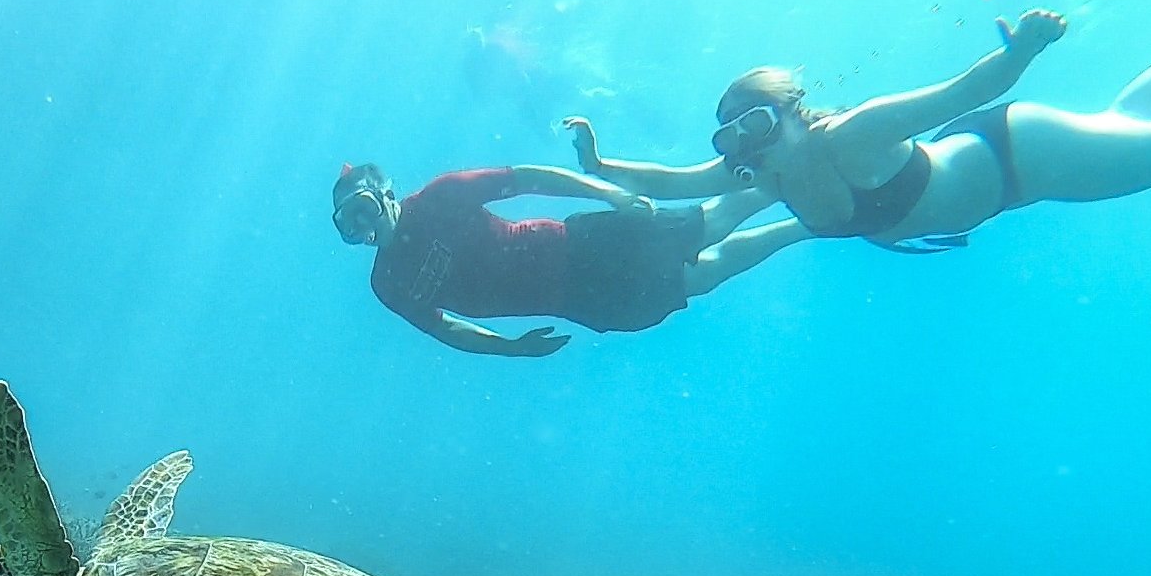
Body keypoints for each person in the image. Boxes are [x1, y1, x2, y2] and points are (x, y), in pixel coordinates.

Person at [564, 13, 1151, 253]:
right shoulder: (764, 173)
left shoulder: (851, 134)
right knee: (1127, 121)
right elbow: (671, 182)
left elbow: (964, 92)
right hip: (1003, 174)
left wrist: (1022, 50)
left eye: (757, 123)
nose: (749, 145)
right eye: (731, 138)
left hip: (1022, 155)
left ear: (792, 111)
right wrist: (599, 163)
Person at [332, 162, 809, 356]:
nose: (363, 226)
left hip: (582, 245)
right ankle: (806, 226)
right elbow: (446, 329)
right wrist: (511, 348)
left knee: (706, 225)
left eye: (363, 208)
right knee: (699, 279)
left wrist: (610, 194)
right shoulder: (388, 284)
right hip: (578, 301)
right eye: (348, 225)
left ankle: (788, 176)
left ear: (386, 194)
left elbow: (530, 178)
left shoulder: (441, 196)